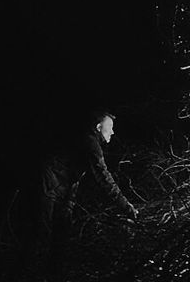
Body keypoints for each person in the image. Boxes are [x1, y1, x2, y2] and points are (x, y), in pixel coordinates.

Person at [35, 109, 137, 278]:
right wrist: (126, 206)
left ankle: (53, 275)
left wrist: (69, 203)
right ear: (98, 127)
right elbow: (103, 177)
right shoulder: (90, 142)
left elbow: (73, 175)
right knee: (40, 233)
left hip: (61, 188)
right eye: (109, 127)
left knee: (60, 235)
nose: (113, 131)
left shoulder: (89, 142)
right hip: (49, 185)